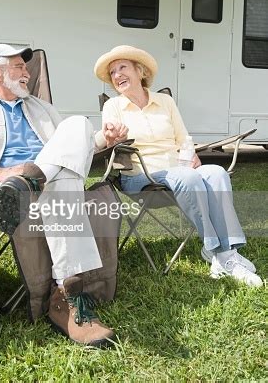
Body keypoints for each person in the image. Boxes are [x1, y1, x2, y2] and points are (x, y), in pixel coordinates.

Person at [0, 43, 128, 347]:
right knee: (64, 183)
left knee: (77, 124)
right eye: (19, 67)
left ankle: (33, 181)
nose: (27, 73)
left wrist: (105, 138)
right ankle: (69, 298)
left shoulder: (42, 108)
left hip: (40, 182)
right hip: (2, 187)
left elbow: (73, 145)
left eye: (25, 67)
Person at [94, 45, 263, 287]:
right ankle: (218, 251)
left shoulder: (165, 101)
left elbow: (183, 138)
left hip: (179, 169)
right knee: (189, 178)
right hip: (142, 177)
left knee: (216, 173)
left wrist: (190, 154)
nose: (117, 75)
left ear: (139, 71)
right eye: (113, 73)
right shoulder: (114, 107)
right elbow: (109, 139)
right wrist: (113, 138)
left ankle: (224, 252)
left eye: (123, 68)